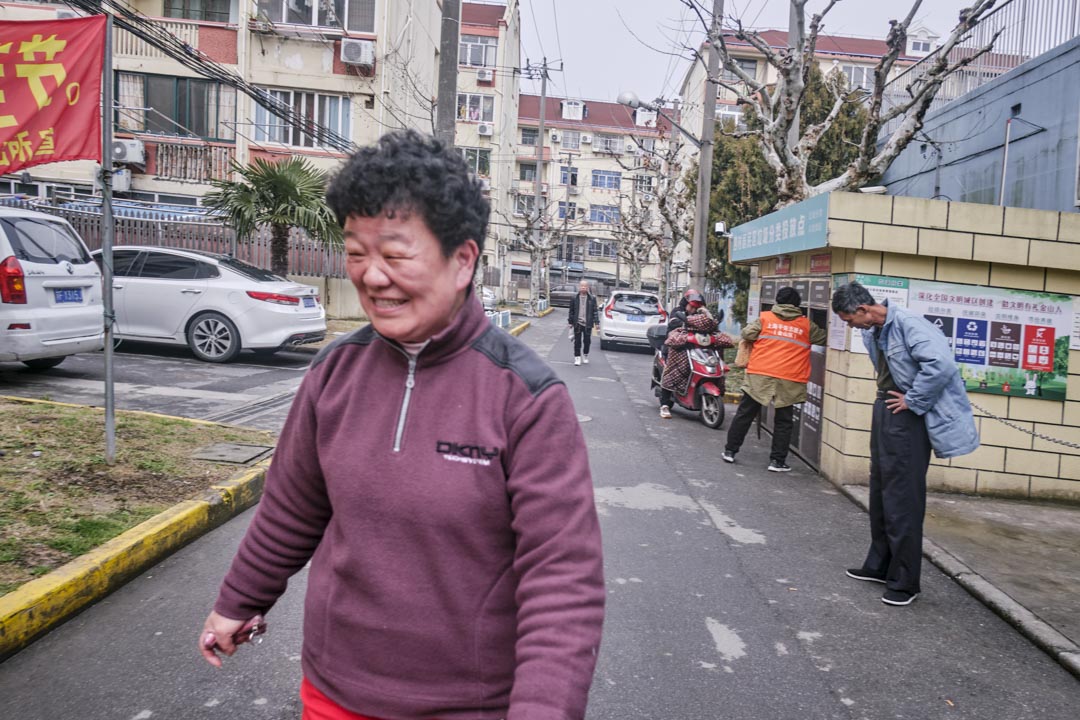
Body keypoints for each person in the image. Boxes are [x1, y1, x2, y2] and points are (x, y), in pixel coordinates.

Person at [198, 130, 606, 719]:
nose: (371, 276)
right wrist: (239, 601)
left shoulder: (526, 398)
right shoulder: (333, 374)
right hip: (334, 692)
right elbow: (291, 509)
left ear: (462, 260)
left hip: (469, 705)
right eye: (357, 253)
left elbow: (562, 580)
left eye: (394, 255)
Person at [832, 281, 978, 607]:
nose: (849, 326)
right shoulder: (874, 330)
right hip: (885, 408)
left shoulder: (909, 324)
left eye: (848, 319)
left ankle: (905, 582)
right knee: (881, 490)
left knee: (902, 498)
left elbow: (941, 365)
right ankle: (880, 565)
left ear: (862, 310)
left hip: (907, 417)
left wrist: (914, 400)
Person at [721, 286, 826, 471]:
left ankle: (730, 451)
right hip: (789, 378)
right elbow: (823, 338)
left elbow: (746, 334)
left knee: (745, 414)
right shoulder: (806, 325)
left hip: (760, 374)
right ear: (797, 304)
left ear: (777, 301)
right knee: (784, 421)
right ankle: (777, 461)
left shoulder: (765, 319)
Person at [658, 290, 733, 419]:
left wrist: (706, 313)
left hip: (698, 350)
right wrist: (687, 324)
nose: (693, 309)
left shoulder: (702, 315)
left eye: (696, 306)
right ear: (685, 303)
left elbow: (712, 326)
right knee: (675, 371)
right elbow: (674, 324)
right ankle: (664, 405)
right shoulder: (677, 312)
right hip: (678, 348)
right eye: (691, 306)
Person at [567, 279, 598, 366]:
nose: (583, 288)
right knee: (577, 341)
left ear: (588, 287)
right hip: (577, 323)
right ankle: (577, 358)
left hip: (588, 324)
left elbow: (595, 311)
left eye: (585, 286)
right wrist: (570, 322)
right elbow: (571, 311)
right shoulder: (574, 298)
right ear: (579, 287)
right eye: (582, 286)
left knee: (587, 341)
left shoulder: (592, 298)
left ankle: (585, 355)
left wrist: (597, 323)